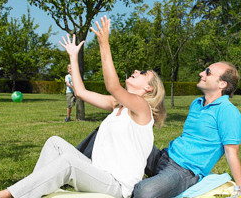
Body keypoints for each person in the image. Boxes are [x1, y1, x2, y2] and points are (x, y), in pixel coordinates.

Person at [0, 16, 166, 198]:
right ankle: (30, 192)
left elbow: (113, 86)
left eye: (142, 73)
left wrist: (104, 43)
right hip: (97, 172)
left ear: (148, 88)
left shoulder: (142, 109)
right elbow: (80, 93)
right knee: (55, 143)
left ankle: (3, 196)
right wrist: (73, 57)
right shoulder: (118, 106)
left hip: (116, 186)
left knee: (68, 162)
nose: (135, 71)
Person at [79, 61, 241, 198]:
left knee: (143, 191)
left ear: (222, 84)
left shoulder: (228, 112)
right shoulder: (196, 103)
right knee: (111, 128)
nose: (201, 73)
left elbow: (231, 152)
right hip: (164, 156)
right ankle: (76, 161)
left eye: (208, 72)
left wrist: (240, 187)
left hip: (185, 172)